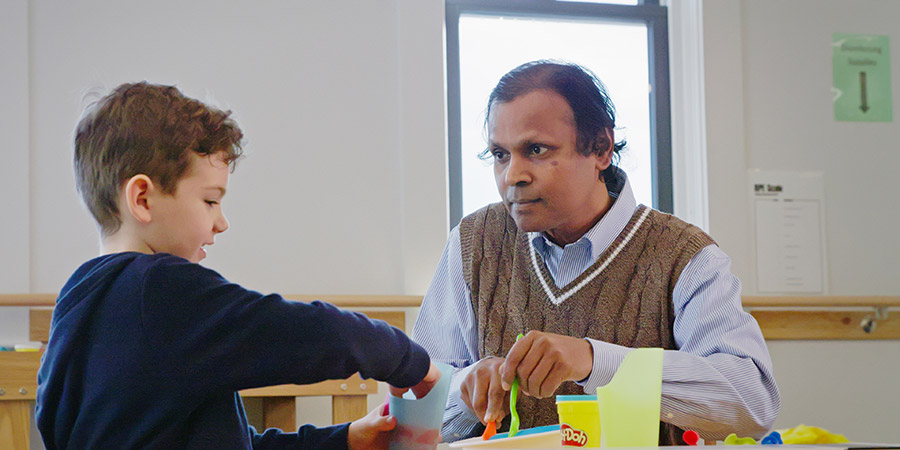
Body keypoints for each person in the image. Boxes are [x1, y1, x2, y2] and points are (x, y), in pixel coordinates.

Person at [36, 82, 439, 450]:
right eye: (210, 200)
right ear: (142, 198)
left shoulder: (76, 302)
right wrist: (405, 359)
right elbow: (306, 333)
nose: (221, 222)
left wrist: (342, 440)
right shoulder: (161, 290)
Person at [412, 61, 780, 444]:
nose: (512, 175)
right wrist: (462, 393)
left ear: (602, 149)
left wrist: (594, 361)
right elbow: (408, 408)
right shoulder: (474, 243)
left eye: (536, 149)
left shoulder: (683, 255)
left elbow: (752, 404)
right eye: (500, 154)